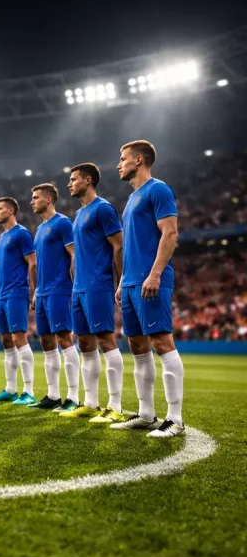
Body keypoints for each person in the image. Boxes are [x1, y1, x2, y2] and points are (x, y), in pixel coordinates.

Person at [110, 140, 185, 436]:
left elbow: (170, 233)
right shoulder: (131, 200)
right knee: (138, 348)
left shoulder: (158, 190)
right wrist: (123, 281)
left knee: (163, 343)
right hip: (130, 283)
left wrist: (154, 274)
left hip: (151, 281)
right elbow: (131, 246)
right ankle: (146, 414)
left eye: (123, 158)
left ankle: (175, 419)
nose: (119, 164)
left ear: (139, 160)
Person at [61, 163, 126, 422]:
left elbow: (118, 246)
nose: (70, 183)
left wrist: (120, 281)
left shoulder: (103, 209)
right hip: (79, 288)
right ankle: (90, 402)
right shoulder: (79, 214)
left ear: (88, 181)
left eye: (73, 179)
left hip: (98, 284)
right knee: (85, 344)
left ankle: (116, 407)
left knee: (106, 342)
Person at [28, 183, 76, 410]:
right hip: (43, 292)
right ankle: (53, 395)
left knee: (65, 340)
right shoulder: (39, 230)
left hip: (59, 289)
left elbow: (74, 255)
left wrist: (74, 287)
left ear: (48, 199)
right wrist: (36, 290)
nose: (32, 201)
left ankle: (73, 397)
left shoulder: (63, 223)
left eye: (36, 197)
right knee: (46, 342)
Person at [0, 197, 38, 406]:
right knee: (6, 341)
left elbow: (33, 262)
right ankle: (10, 389)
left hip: (17, 292)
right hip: (3, 295)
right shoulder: (1, 238)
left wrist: (34, 290)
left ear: (10, 210)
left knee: (19, 338)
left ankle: (29, 391)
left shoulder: (22, 234)